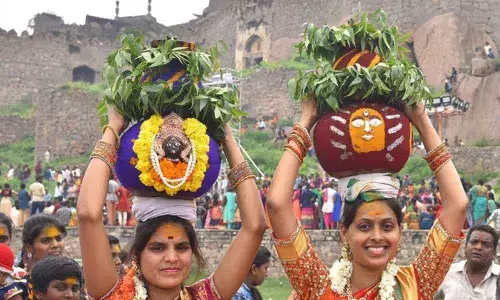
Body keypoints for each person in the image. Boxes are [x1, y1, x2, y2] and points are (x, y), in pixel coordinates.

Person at [266, 97, 468, 299]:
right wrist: (306, 121)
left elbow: (458, 206)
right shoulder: (318, 286)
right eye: (364, 226)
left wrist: (422, 121)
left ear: (400, 232)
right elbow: (276, 204)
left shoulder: (414, 284)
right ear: (344, 232)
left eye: (387, 226)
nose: (377, 236)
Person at [77, 107, 266, 299]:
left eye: (182, 247)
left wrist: (227, 139)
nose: (172, 258)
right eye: (157, 248)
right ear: (137, 254)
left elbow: (255, 227)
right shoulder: (115, 295)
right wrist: (113, 128)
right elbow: (88, 215)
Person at [435, 225, 499, 299]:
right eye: (473, 242)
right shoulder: (446, 273)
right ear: (465, 247)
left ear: (494, 252)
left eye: (486, 244)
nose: (478, 247)